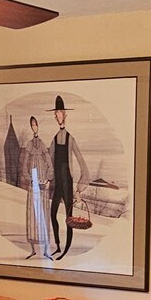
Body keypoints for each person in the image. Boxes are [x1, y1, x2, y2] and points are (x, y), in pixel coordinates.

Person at [48, 95, 89, 258]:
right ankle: (58, 245)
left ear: (65, 114)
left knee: (69, 217)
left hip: (67, 180)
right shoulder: (53, 139)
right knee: (52, 214)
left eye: (60, 112)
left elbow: (82, 164)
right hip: (57, 182)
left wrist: (79, 190)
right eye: (56, 112)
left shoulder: (70, 138)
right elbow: (48, 160)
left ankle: (66, 249)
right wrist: (45, 178)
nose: (57, 115)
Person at [20, 115, 50, 258]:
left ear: (38, 126)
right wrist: (29, 180)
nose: (34, 127)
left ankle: (45, 249)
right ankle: (33, 249)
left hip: (43, 182)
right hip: (33, 183)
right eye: (32, 126)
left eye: (35, 125)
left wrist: (49, 179)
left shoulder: (43, 144)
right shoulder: (29, 145)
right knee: (32, 215)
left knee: (44, 213)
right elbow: (24, 165)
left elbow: (49, 162)